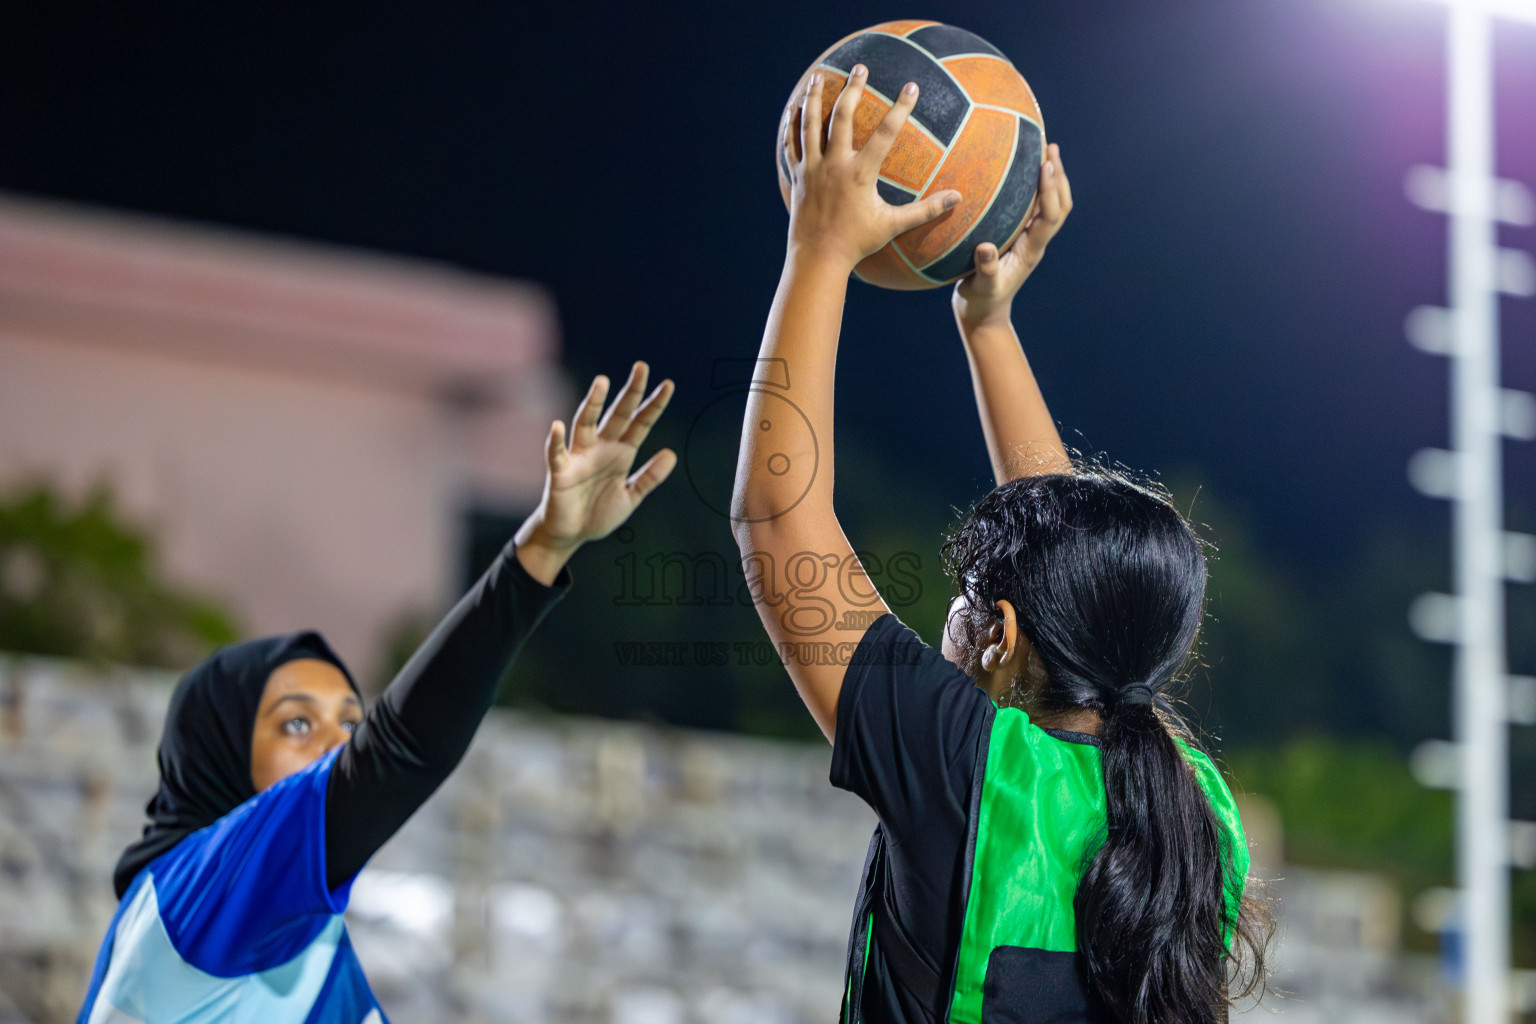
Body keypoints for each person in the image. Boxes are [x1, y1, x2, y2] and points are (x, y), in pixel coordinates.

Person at [732, 65, 1269, 1024]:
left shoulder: (963, 760)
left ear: (1001, 634)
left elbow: (779, 515)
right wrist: (990, 327)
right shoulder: (1197, 811)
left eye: (967, 589)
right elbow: (1067, 556)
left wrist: (816, 251)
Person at [78, 364, 677, 1024]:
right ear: (213, 754)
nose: (342, 742)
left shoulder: (291, 937)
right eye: (297, 725)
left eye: (349, 720)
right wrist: (538, 551)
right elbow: (395, 752)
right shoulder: (196, 896)